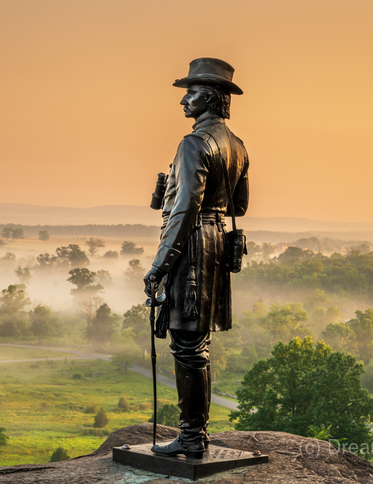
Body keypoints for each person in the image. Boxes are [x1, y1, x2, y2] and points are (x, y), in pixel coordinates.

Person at [145, 57, 249, 459]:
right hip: (216, 242)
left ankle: (191, 438)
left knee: (186, 347)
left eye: (189, 93)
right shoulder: (236, 146)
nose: (183, 100)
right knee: (195, 346)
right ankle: (195, 435)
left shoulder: (194, 143)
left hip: (190, 247)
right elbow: (239, 203)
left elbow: (185, 209)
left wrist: (159, 266)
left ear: (208, 97)